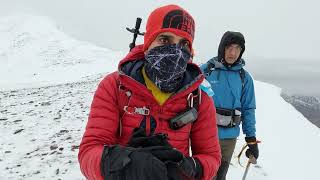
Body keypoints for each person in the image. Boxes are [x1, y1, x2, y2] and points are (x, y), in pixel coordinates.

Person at [78, 4, 221, 180]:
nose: (175, 51)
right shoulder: (115, 87)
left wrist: (189, 168)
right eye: (165, 39)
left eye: (184, 43)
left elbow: (211, 157)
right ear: (148, 44)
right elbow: (89, 151)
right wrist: (123, 164)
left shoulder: (199, 99)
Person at [200, 31, 259, 180]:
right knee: (204, 175)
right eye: (229, 48)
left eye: (237, 48)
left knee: (220, 175)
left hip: (229, 138)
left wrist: (251, 139)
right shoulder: (206, 71)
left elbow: (248, 109)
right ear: (222, 48)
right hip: (205, 134)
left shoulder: (244, 78)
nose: (233, 53)